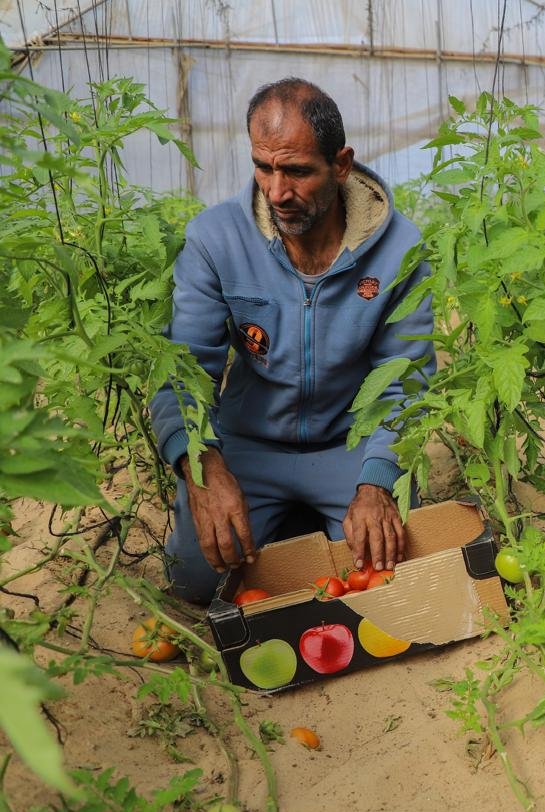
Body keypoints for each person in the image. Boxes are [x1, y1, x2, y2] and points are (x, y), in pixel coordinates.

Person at [150, 78, 434, 603]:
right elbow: (183, 371)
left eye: (298, 171)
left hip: (350, 447)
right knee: (194, 580)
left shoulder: (400, 250)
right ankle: (292, 518)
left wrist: (377, 481)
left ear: (341, 165)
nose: (277, 191)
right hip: (248, 447)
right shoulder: (216, 240)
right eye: (263, 167)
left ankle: (302, 517)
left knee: (386, 576)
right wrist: (204, 467)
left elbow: (406, 379)